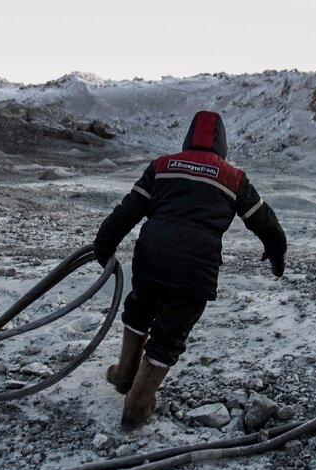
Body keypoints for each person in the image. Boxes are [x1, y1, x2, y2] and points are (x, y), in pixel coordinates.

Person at [93, 110, 287, 429]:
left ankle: (125, 375)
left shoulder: (162, 166)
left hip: (150, 258)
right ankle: (137, 406)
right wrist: (277, 255)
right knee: (168, 336)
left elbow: (127, 210)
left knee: (138, 310)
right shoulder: (233, 177)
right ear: (222, 144)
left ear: (188, 138)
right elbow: (264, 221)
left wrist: (104, 246)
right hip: (194, 270)